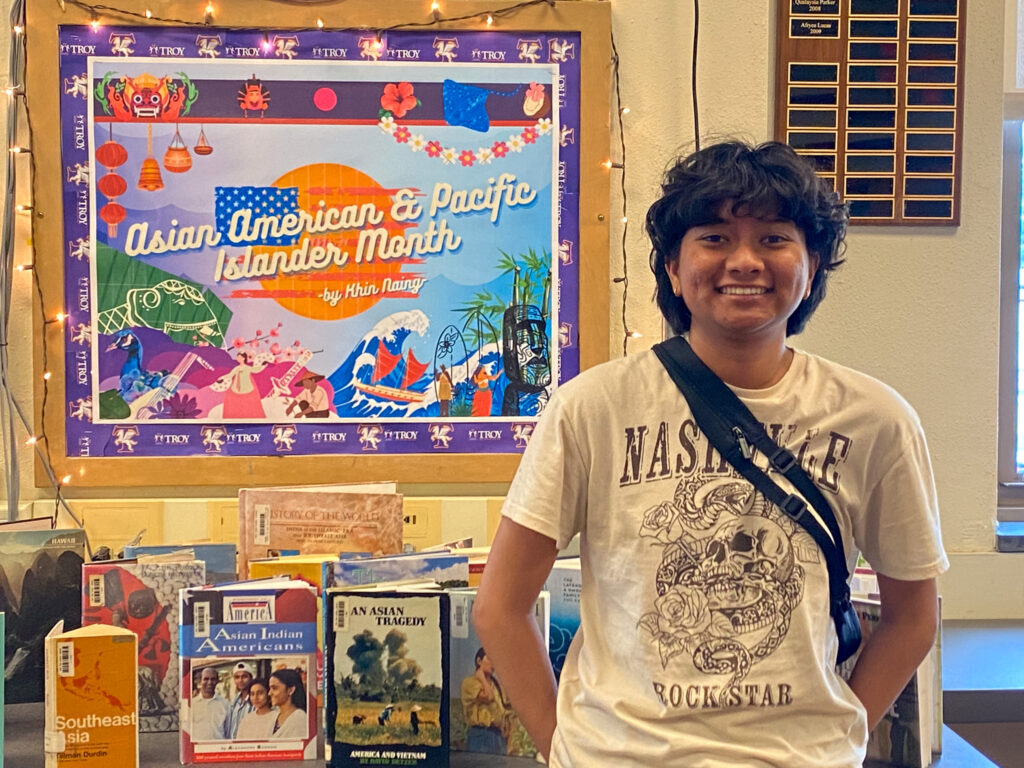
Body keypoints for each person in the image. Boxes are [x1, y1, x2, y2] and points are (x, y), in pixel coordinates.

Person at [474, 140, 948, 767]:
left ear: (811, 266)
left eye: (774, 238)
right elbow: (500, 607)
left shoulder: (875, 420)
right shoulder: (591, 408)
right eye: (715, 238)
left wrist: (838, 736)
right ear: (673, 268)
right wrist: (562, 748)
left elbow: (913, 618)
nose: (745, 261)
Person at [460, 647, 508, 754]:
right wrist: (482, 678)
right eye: (489, 659)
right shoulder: (469, 683)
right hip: (480, 734)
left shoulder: (496, 685)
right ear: (479, 661)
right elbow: (488, 697)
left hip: (498, 736)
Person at [190, 666, 229, 741]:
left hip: (219, 746)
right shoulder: (192, 704)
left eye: (213, 679)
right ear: (200, 681)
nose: (209, 682)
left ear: (217, 681)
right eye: (206, 679)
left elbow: (228, 732)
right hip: (198, 747)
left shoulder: (225, 704)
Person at [268, 668, 308, 740]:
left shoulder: (299, 718)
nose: (269, 693)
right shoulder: (274, 716)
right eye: (270, 688)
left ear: (290, 690)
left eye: (274, 688)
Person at [221, 661, 254, 739]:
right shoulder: (234, 702)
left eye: (244, 677)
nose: (240, 680)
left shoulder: (255, 701)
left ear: (251, 678)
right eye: (237, 677)